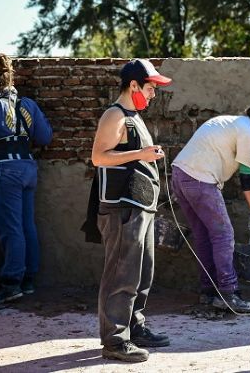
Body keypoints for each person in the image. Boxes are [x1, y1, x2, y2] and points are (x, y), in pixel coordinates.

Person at [90, 58, 173, 363]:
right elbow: (99, 157)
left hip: (140, 209)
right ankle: (114, 340)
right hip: (122, 209)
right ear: (134, 85)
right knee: (121, 275)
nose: (153, 94)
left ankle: (134, 328)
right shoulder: (114, 115)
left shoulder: (133, 116)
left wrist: (145, 155)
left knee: (142, 273)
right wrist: (141, 153)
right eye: (150, 88)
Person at [170, 94, 250, 314]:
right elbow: (246, 175)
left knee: (204, 236)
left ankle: (209, 292)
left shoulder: (231, 122)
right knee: (224, 236)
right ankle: (229, 293)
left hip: (179, 176)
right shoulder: (249, 133)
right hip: (200, 180)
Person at [0, 53, 53, 302]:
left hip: (7, 169)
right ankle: (28, 280)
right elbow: (45, 137)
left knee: (10, 227)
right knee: (27, 225)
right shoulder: (28, 104)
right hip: (28, 167)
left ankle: (11, 282)